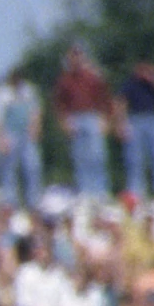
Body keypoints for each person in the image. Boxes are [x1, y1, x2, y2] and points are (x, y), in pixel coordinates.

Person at [53, 46, 114, 203]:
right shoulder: (65, 80)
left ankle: (100, 191)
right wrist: (64, 121)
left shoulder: (93, 77)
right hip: (75, 119)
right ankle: (85, 191)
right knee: (80, 157)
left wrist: (106, 119)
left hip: (93, 117)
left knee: (97, 156)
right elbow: (59, 103)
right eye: (73, 57)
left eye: (78, 56)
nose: (76, 60)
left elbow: (105, 98)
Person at [117, 60, 154, 202]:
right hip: (135, 119)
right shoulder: (130, 84)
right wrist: (121, 123)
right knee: (135, 158)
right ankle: (136, 191)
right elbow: (121, 102)